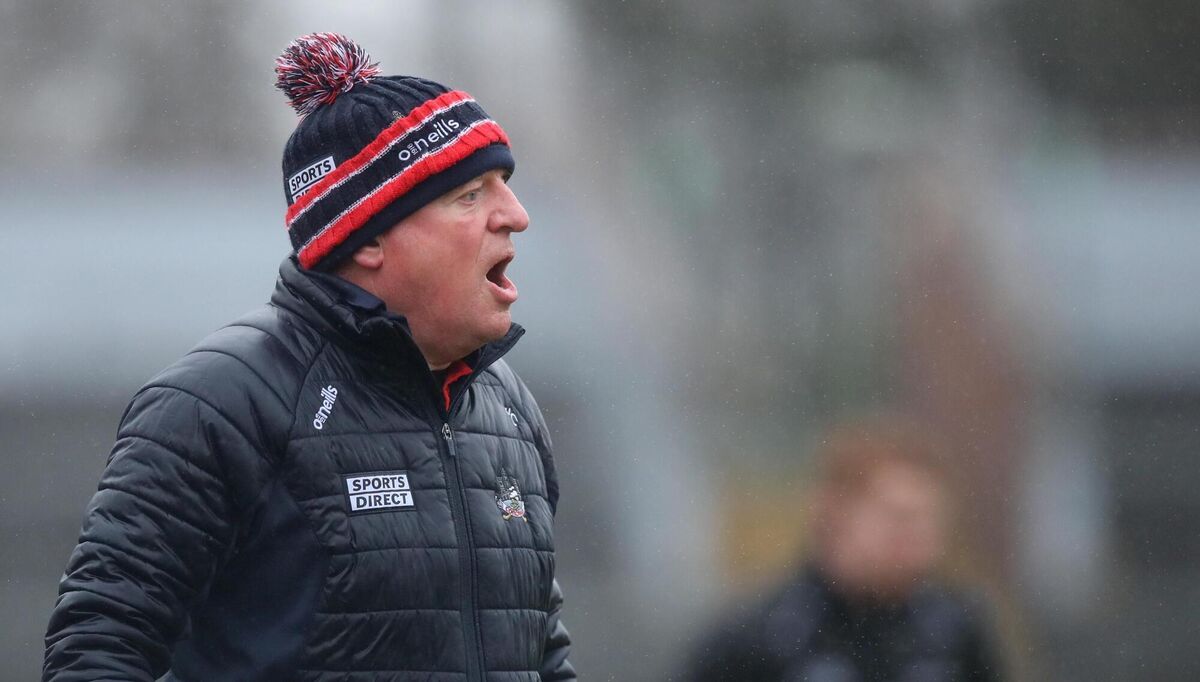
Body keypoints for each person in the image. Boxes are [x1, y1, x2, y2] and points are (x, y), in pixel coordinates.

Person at [43, 33, 574, 682]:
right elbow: (98, 651)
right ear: (370, 237)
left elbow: (541, 657)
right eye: (471, 195)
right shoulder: (219, 404)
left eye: (504, 185)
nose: (515, 215)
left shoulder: (510, 409)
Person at [688, 416, 1005, 682]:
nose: (917, 535)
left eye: (930, 519)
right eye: (899, 517)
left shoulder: (955, 631)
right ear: (835, 514)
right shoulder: (761, 637)